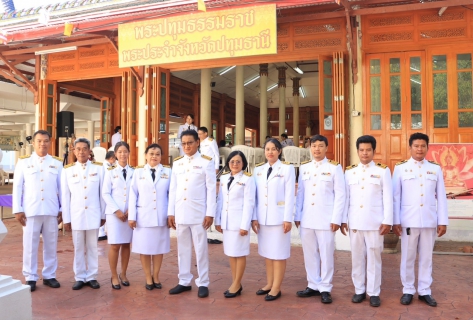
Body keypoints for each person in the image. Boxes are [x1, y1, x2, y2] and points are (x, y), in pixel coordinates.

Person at [392, 132, 448, 307]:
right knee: (407, 257)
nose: (419, 149)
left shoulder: (435, 168)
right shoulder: (401, 168)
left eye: (423, 146)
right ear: (410, 147)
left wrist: (442, 220)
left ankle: (425, 290)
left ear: (427, 148)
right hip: (408, 220)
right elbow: (395, 197)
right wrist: (395, 221)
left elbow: (442, 197)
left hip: (429, 220)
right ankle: (408, 290)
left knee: (426, 258)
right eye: (416, 146)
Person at [342, 135, 393, 307]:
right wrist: (343, 220)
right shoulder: (349, 171)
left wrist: (388, 221)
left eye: (368, 150)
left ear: (373, 151)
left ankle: (373, 292)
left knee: (374, 257)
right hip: (355, 222)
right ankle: (359, 290)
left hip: (375, 223)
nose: (365, 153)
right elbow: (345, 198)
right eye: (361, 150)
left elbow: (388, 198)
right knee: (357, 257)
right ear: (357, 151)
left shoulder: (382, 170)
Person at [294, 134, 345, 304]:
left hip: (326, 219)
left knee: (326, 254)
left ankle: (325, 287)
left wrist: (336, 218)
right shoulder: (304, 168)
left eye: (320, 145)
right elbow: (300, 193)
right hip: (307, 218)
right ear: (310, 148)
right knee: (309, 253)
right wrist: (297, 215)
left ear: (326, 148)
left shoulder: (334, 167)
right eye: (314, 145)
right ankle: (312, 284)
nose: (317, 149)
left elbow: (340, 195)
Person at [12, 130, 63, 292]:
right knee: (30, 245)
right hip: (30, 210)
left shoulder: (57, 162)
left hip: (51, 209)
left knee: (51, 243)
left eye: (46, 141)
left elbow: (62, 189)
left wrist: (62, 209)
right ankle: (30, 276)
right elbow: (17, 187)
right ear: (33, 143)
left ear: (50, 142)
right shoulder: (24, 162)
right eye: (39, 141)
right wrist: (18, 210)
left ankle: (49, 275)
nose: (43, 144)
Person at [167, 130, 216, 298]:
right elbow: (172, 189)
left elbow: (211, 189)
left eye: (190, 143)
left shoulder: (205, 162)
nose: (187, 146)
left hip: (198, 212)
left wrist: (210, 213)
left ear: (197, 143)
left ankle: (203, 282)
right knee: (183, 248)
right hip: (180, 211)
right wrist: (170, 213)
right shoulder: (178, 163)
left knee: (201, 249)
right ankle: (184, 281)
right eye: (184, 143)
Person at [251, 138, 295, 301]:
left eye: (273, 149)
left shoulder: (287, 168)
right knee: (267, 253)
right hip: (263, 218)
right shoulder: (258, 170)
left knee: (279, 254)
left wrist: (287, 218)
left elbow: (290, 195)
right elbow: (254, 196)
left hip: (279, 218)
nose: (270, 152)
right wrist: (254, 217)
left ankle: (276, 287)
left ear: (279, 151)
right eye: (267, 149)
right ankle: (269, 283)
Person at [61, 137, 105, 290]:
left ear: (89, 151)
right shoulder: (67, 170)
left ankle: (92, 276)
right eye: (78, 149)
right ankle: (79, 276)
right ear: (74, 150)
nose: (81, 152)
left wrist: (103, 215)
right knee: (78, 246)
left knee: (93, 246)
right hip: (76, 215)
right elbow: (65, 197)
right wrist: (66, 219)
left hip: (93, 214)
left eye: (84, 148)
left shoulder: (99, 168)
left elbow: (102, 194)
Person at [129, 143, 171, 290]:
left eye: (158, 154)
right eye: (151, 153)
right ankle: (148, 278)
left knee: (159, 248)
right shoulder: (138, 172)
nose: (154, 156)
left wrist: (171, 214)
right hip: (143, 216)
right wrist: (132, 216)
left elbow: (171, 195)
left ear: (161, 156)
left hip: (161, 216)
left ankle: (156, 276)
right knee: (145, 248)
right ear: (146, 155)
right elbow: (133, 194)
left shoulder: (168, 172)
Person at [215, 151, 255, 298]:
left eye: (238, 161)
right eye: (232, 161)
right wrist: (218, 221)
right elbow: (220, 200)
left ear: (243, 163)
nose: (235, 164)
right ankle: (235, 282)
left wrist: (245, 225)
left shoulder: (247, 179)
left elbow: (249, 203)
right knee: (231, 253)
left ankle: (237, 284)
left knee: (240, 253)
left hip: (239, 223)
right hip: (226, 221)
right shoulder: (224, 177)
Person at [102, 142, 134, 290]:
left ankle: (124, 273)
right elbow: (105, 193)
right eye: (120, 152)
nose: (122, 154)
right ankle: (114, 275)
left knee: (127, 244)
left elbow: (136, 193)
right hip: (114, 215)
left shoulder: (135, 172)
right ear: (115, 154)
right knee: (115, 245)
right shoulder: (109, 172)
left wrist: (129, 211)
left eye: (125, 151)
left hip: (129, 214)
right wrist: (117, 211)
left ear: (129, 153)